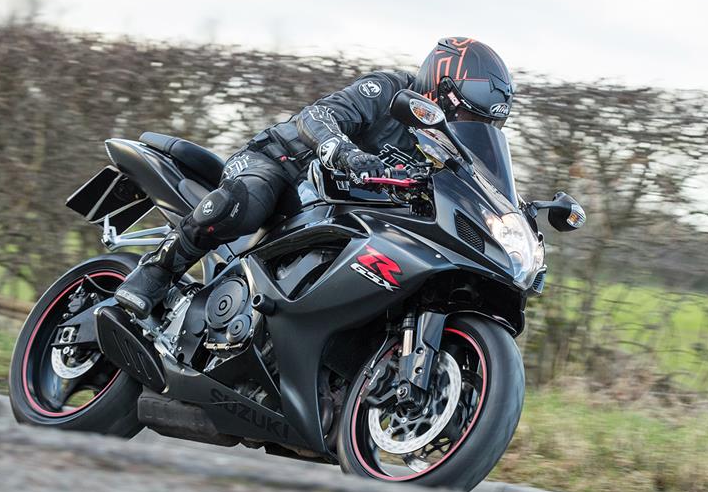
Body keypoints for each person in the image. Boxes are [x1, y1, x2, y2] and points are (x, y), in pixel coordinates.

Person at [114, 37, 516, 318]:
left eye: (480, 123)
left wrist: (512, 215)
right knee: (245, 204)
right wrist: (344, 151)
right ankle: (157, 271)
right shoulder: (390, 90)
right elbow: (318, 116)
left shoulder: (442, 147)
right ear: (443, 87)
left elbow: (466, 185)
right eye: (467, 113)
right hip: (283, 165)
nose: (467, 124)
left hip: (341, 206)